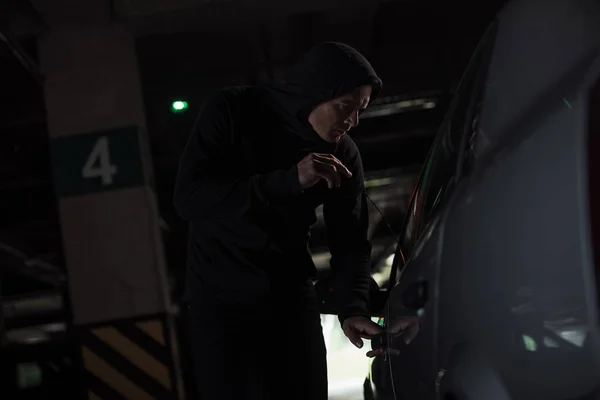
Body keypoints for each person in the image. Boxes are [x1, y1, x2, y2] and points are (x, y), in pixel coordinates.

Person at [174, 41, 384, 400]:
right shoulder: (234, 110)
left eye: (360, 110)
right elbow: (189, 200)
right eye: (344, 107)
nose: (351, 121)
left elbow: (349, 239)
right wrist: (288, 181)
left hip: (290, 297)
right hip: (219, 301)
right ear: (314, 93)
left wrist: (353, 307)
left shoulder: (343, 152)